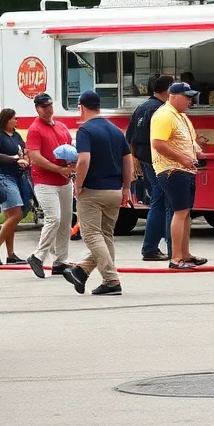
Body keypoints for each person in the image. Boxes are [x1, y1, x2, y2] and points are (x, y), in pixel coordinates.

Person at [64, 92, 133, 296]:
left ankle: (112, 280)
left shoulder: (85, 130)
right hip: (115, 190)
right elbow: (128, 160)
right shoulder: (116, 130)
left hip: (93, 191)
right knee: (106, 236)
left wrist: (78, 184)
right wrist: (127, 188)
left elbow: (84, 160)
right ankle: (82, 271)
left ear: (81, 107)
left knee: (92, 235)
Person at [150, 81, 207, 270]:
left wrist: (196, 151)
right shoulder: (165, 116)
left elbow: (186, 140)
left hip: (184, 169)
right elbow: (158, 143)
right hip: (172, 170)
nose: (190, 101)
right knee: (180, 212)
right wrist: (182, 158)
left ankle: (185, 254)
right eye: (186, 97)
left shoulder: (180, 116)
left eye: (191, 97)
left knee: (185, 212)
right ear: (173, 96)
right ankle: (176, 258)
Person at [25, 92, 76, 278]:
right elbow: (34, 156)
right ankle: (38, 256)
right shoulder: (34, 129)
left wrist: (72, 165)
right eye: (44, 107)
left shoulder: (61, 127)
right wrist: (57, 169)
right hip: (45, 181)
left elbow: (70, 149)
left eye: (50, 106)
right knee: (53, 218)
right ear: (37, 109)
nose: (48, 109)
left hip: (64, 180)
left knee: (65, 222)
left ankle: (60, 261)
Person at [127, 74, 173, 261]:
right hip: (158, 161)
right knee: (160, 202)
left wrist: (135, 160)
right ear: (168, 90)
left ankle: (154, 246)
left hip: (145, 160)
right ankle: (151, 247)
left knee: (158, 200)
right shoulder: (161, 110)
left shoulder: (141, 107)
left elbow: (130, 137)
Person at [0, 108, 30, 265]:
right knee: (16, 215)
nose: (16, 121)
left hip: (17, 177)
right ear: (6, 119)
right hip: (3, 177)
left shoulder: (16, 136)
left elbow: (23, 151)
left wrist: (25, 159)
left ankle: (11, 255)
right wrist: (14, 159)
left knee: (11, 217)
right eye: (14, 119)